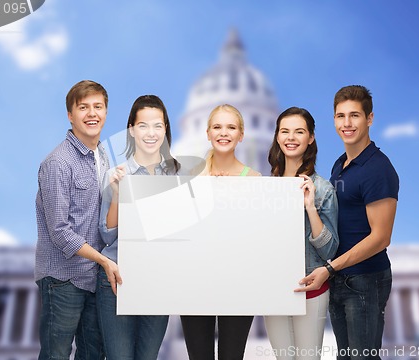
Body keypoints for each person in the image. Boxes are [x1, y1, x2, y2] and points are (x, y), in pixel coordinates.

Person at [296, 85, 399, 360]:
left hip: (364, 279)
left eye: (354, 115)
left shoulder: (378, 169)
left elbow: (381, 238)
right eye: (340, 116)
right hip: (340, 277)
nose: (347, 123)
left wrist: (330, 268)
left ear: (370, 118)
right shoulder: (340, 164)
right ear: (333, 120)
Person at [35, 80, 121, 360]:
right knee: (55, 355)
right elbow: (59, 230)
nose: (92, 113)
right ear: (70, 115)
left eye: (98, 107)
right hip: (62, 279)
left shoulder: (103, 156)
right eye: (83, 107)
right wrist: (105, 260)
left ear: (106, 112)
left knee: (93, 355)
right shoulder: (58, 163)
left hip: (93, 278)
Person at [97, 95, 179, 360]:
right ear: (131, 130)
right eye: (143, 125)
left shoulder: (178, 177)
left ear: (165, 129)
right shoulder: (118, 174)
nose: (151, 133)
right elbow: (107, 234)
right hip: (118, 279)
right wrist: (118, 193)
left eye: (158, 125)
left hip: (158, 280)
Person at [181, 104, 260, 360]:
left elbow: (257, 236)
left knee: (232, 356)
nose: (223, 133)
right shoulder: (189, 178)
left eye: (231, 127)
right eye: (217, 127)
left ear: (241, 134)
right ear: (207, 133)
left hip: (238, 283)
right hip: (194, 281)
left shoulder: (255, 180)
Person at [264, 107, 339, 360]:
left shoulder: (323, 188)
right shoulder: (264, 188)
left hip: (311, 289)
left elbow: (330, 251)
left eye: (299, 131)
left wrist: (310, 207)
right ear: (277, 137)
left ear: (311, 137)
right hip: (273, 288)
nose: (291, 137)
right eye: (284, 131)